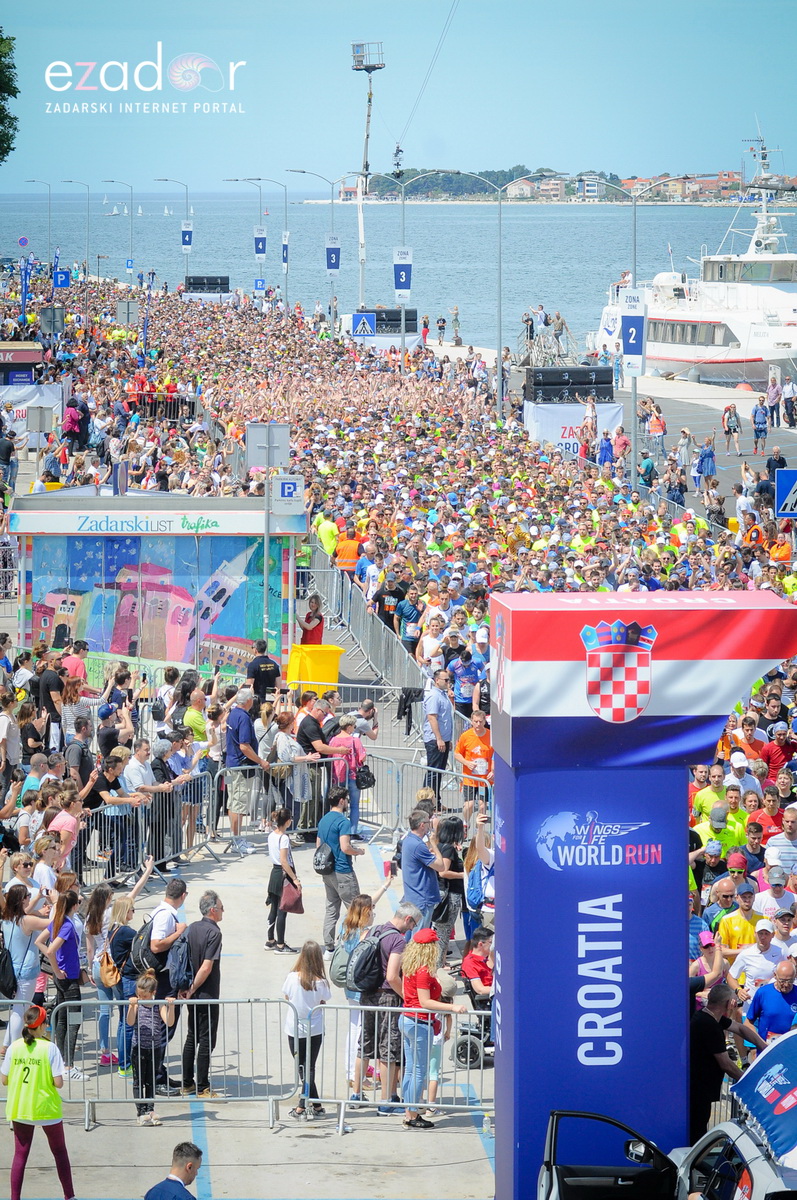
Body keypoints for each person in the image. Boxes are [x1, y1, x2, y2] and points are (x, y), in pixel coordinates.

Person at [1, 1004, 76, 1200]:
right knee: (59, 1152)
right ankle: (69, 1196)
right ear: (42, 1025)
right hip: (46, 1108)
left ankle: (14, 1198)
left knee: (20, 1155)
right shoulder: (49, 1048)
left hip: (21, 1106)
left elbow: (4, 1079)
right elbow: (58, 1083)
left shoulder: (15, 1047)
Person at [399, 928, 466, 1129]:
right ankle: (412, 1114)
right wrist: (452, 1007)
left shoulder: (410, 967)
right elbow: (426, 1001)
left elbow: (405, 992)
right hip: (419, 1022)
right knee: (418, 1071)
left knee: (411, 1070)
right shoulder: (422, 971)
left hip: (408, 1019)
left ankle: (409, 1112)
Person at [689, 982, 764, 1143]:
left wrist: (763, 1047)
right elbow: (726, 1063)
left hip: (702, 1088)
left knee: (700, 1127)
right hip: (698, 1089)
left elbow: (740, 1029)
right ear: (729, 1003)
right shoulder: (708, 1025)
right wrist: (748, 1082)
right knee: (697, 1130)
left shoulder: (710, 1017)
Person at [35, 889, 85, 1080]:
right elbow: (50, 950)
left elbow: (40, 941)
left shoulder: (57, 922)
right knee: (74, 1020)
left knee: (63, 1018)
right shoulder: (65, 925)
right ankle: (69, 1064)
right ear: (74, 906)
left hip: (64, 976)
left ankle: (62, 1062)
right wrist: (57, 969)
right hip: (67, 977)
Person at [181, 889, 224, 1100]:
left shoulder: (192, 928)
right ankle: (203, 1087)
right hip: (205, 992)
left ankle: (187, 1082)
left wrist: (188, 988)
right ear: (213, 910)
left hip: (191, 992)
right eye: (222, 908)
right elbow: (206, 967)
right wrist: (195, 988)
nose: (223, 911)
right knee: (206, 1040)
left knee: (192, 1036)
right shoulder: (214, 933)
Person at [282, 939, 331, 1119]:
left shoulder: (292, 977)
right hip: (315, 1029)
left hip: (295, 1029)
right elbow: (324, 999)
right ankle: (316, 1105)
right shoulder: (322, 982)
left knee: (303, 1068)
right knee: (308, 1067)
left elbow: (286, 995)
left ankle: (303, 1106)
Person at [1, 884, 51, 1048]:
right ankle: (12, 1046)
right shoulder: (26, 920)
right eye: (28, 896)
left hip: (13, 969)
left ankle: (7, 1044)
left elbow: (27, 911)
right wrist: (57, 903)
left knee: (18, 1007)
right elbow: (51, 923)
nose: (30, 898)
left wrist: (37, 901)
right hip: (25, 971)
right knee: (20, 1010)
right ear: (22, 900)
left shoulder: (7, 918)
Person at [317, 786, 364, 954]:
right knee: (356, 910)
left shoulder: (323, 820)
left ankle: (329, 947)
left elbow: (318, 846)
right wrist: (357, 851)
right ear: (342, 800)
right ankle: (353, 946)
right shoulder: (343, 822)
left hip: (327, 872)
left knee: (331, 908)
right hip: (343, 871)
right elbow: (345, 847)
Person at [127, 969, 177, 1126]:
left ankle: (150, 1109)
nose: (142, 998)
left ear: (153, 993)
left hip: (154, 1048)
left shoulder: (157, 1004)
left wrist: (171, 1007)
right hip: (138, 1047)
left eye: (145, 996)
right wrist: (131, 1006)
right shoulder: (137, 1004)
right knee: (138, 1081)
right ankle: (140, 1112)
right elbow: (129, 1022)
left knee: (150, 1081)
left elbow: (169, 1022)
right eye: (140, 995)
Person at [225, 687, 270, 855]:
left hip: (233, 764)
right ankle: (237, 840)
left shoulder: (233, 713)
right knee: (238, 804)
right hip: (240, 767)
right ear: (249, 701)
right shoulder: (243, 717)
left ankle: (236, 837)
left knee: (233, 803)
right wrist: (261, 761)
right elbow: (244, 746)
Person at [401, 809, 445, 930]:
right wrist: (434, 844)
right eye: (428, 822)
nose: (430, 825)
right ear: (422, 825)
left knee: (411, 937)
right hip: (422, 900)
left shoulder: (409, 840)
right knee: (419, 939)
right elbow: (441, 866)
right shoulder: (418, 845)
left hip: (413, 897)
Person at [266, 808, 301, 954]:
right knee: (282, 910)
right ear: (287, 822)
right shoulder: (284, 838)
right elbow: (284, 861)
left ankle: (270, 940)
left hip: (274, 873)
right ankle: (280, 945)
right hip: (282, 875)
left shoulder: (271, 835)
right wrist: (295, 879)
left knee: (274, 907)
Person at [328, 713, 366, 839]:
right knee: (354, 805)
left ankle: (337, 829)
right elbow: (362, 757)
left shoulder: (333, 740)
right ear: (349, 727)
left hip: (337, 776)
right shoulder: (355, 740)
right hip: (353, 776)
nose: (354, 728)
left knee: (337, 804)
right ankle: (353, 831)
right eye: (354, 726)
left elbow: (329, 756)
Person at [422, 668, 453, 797]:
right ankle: (428, 801)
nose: (448, 682)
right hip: (435, 740)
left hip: (443, 739)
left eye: (449, 680)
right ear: (437, 680)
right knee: (433, 772)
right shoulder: (434, 696)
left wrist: (447, 740)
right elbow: (432, 717)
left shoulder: (443, 694)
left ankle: (436, 801)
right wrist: (439, 738)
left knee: (439, 771)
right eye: (445, 680)